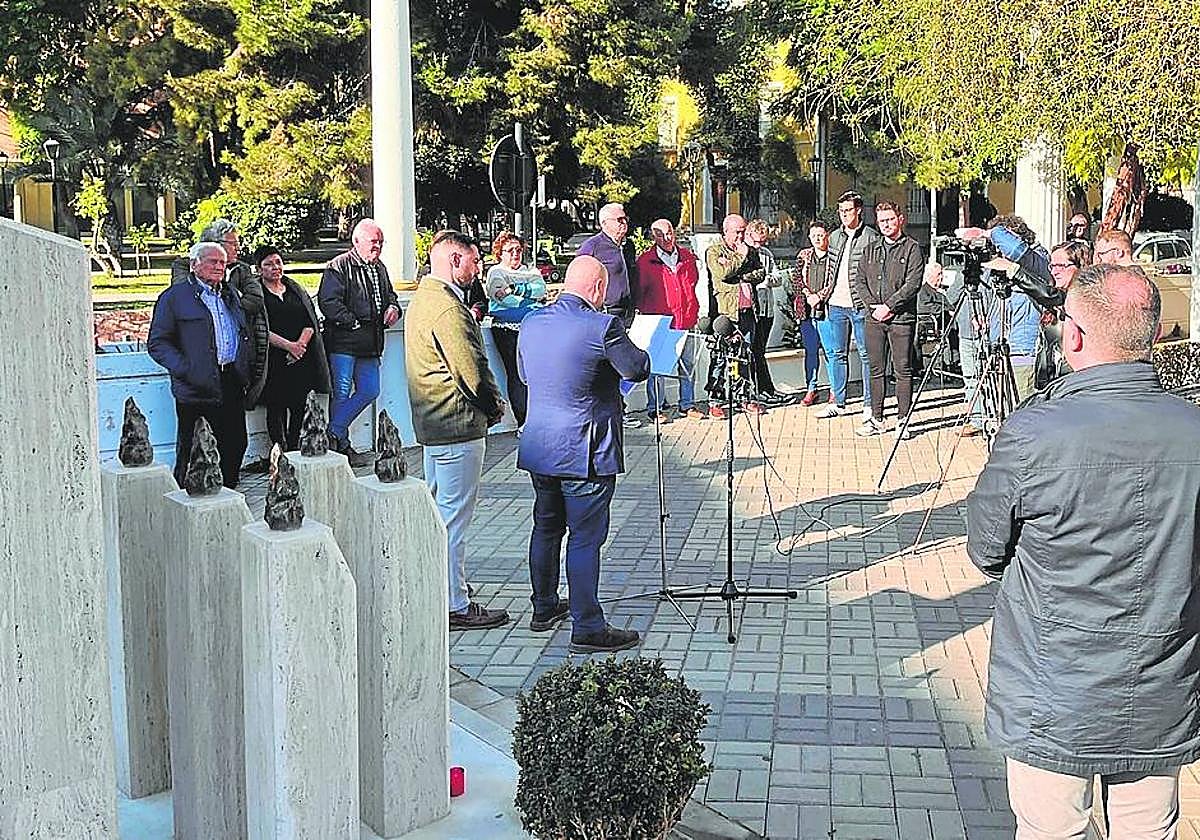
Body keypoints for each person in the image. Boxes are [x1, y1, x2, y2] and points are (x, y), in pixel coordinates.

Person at [966, 263, 1200, 838]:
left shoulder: (1034, 432)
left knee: (1051, 831)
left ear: (1073, 336)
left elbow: (985, 549)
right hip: (1159, 684)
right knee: (1148, 831)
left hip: (1054, 687)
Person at [516, 255, 650, 653]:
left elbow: (526, 375)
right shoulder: (602, 326)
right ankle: (588, 625)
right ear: (596, 289)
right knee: (585, 538)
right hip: (584, 450)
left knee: (546, 527)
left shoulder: (532, 322)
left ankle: (543, 607)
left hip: (540, 446)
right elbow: (637, 368)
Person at [406, 230, 510, 631]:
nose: (478, 267)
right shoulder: (447, 307)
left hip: (436, 424)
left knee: (441, 516)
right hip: (455, 424)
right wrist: (494, 406)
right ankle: (454, 603)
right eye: (473, 260)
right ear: (454, 260)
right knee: (453, 520)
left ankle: (441, 593)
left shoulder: (425, 298)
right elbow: (470, 372)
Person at [149, 242, 252, 488]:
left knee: (235, 444)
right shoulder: (174, 298)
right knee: (194, 450)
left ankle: (228, 496)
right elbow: (157, 343)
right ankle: (188, 504)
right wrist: (187, 369)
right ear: (195, 264)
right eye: (212, 261)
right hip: (195, 387)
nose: (219, 267)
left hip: (230, 380)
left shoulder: (230, 295)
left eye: (222, 263)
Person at [318, 218, 400, 467]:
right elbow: (328, 302)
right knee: (341, 394)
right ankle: (341, 446)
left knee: (370, 390)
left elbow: (390, 296)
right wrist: (352, 322)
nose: (378, 246)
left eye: (381, 242)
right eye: (374, 242)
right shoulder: (339, 266)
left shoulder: (380, 268)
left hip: (371, 342)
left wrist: (394, 308)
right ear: (357, 241)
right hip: (344, 341)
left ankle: (331, 432)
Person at [171, 218, 268, 408]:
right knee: (196, 429)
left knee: (233, 429)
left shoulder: (242, 269)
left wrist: (227, 301)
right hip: (197, 369)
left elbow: (256, 300)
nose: (237, 248)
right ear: (215, 244)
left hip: (233, 367)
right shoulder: (185, 265)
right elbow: (189, 299)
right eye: (233, 244)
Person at [852, 200, 923, 439]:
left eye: (890, 219)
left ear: (900, 219)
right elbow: (859, 280)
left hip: (901, 319)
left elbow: (913, 283)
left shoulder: (912, 248)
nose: (886, 225)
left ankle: (903, 420)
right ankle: (876, 418)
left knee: (903, 369)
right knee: (876, 369)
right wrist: (873, 307)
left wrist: (890, 306)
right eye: (881, 221)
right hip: (874, 318)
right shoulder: (870, 249)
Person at [252, 245, 330, 451]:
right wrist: (289, 346)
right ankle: (280, 451)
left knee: (299, 406)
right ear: (259, 269)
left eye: (278, 262)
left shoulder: (295, 289)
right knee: (275, 407)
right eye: (268, 264)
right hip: (274, 360)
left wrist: (299, 347)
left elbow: (310, 321)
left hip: (300, 359)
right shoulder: (256, 293)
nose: (275, 268)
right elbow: (258, 329)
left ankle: (295, 448)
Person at [813, 191, 880, 419]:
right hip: (836, 304)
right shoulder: (834, 237)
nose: (844, 215)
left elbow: (874, 272)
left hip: (860, 304)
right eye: (841, 211)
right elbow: (828, 269)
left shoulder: (870, 236)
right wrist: (823, 295)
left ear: (858, 210)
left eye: (848, 210)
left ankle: (869, 405)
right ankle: (838, 403)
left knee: (865, 354)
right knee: (837, 353)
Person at [634, 219, 704, 422]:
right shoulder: (645, 261)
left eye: (669, 232)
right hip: (660, 321)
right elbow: (639, 292)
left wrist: (694, 309)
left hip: (686, 319)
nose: (666, 238)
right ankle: (655, 408)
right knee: (658, 368)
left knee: (688, 365)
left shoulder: (688, 258)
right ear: (653, 237)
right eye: (660, 234)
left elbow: (693, 284)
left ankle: (687, 404)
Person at [484, 232, 547, 431]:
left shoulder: (532, 270)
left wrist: (514, 288)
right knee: (516, 373)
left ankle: (537, 416)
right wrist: (530, 299)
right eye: (510, 251)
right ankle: (523, 421)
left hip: (530, 327)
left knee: (534, 373)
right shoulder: (496, 272)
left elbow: (541, 290)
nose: (515, 254)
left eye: (518, 250)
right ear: (500, 253)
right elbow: (501, 297)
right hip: (506, 329)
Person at [705, 213, 766, 416]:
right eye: (737, 232)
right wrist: (740, 257)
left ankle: (744, 398)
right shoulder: (714, 251)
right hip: (726, 314)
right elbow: (722, 274)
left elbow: (760, 272)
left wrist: (740, 272)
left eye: (743, 232)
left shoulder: (748, 250)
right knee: (721, 357)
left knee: (744, 356)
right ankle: (715, 401)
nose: (740, 236)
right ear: (726, 231)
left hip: (748, 312)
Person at [922, 261, 985, 437]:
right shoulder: (971, 274)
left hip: (972, 332)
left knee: (973, 378)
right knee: (977, 377)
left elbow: (950, 299)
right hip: (969, 330)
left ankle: (979, 420)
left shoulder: (970, 275)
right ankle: (980, 418)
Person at [786, 219, 831, 406]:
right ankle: (811, 389)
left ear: (827, 235)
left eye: (820, 235)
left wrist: (820, 296)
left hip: (827, 310)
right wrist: (808, 294)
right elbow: (796, 279)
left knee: (831, 352)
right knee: (810, 352)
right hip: (807, 311)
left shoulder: (834, 256)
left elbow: (834, 280)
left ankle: (835, 390)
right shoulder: (804, 255)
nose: (817, 239)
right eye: (814, 236)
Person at [576, 202, 638, 325]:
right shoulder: (592, 246)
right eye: (619, 220)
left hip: (629, 311)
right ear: (604, 223)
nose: (624, 223)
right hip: (606, 312)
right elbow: (579, 279)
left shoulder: (628, 246)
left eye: (625, 219)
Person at [744, 218, 783, 404]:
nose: (760, 245)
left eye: (763, 241)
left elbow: (778, 278)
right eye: (757, 241)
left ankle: (767, 389)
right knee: (754, 351)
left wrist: (764, 280)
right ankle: (761, 390)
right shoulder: (743, 252)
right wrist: (762, 280)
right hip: (751, 309)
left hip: (766, 309)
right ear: (748, 234)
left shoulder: (766, 254)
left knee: (760, 351)